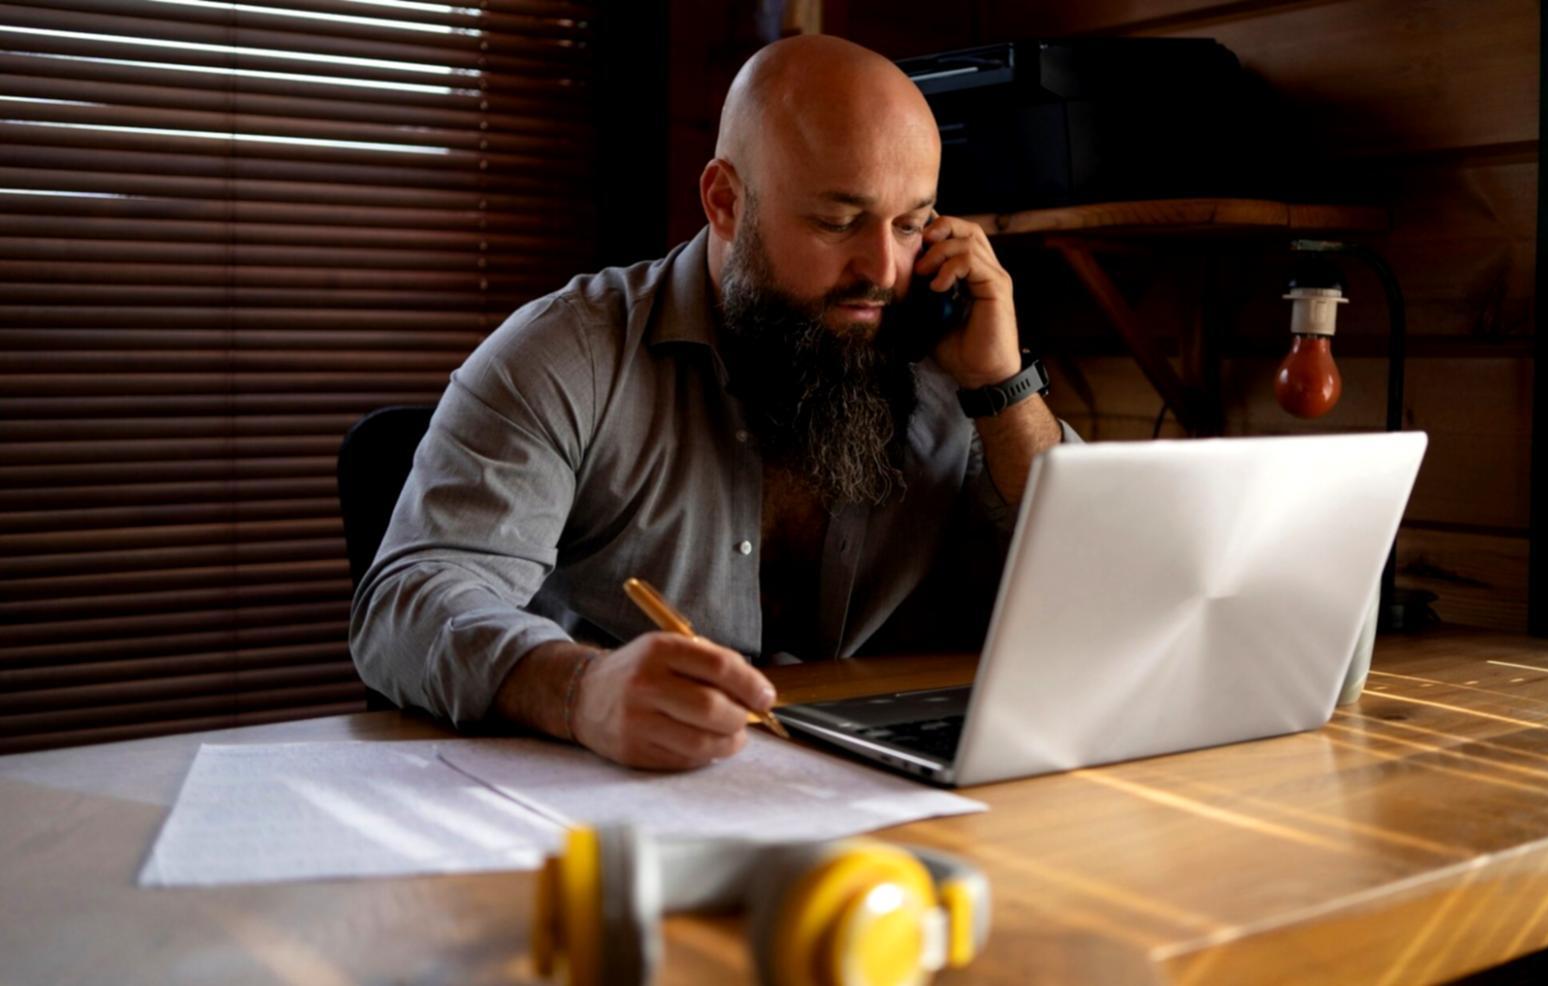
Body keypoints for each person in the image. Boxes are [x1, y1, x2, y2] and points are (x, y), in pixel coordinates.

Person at [350, 35, 1072, 771]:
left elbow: (1093, 579)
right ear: (726, 201)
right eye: (837, 221)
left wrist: (1004, 387)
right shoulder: (569, 352)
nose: (883, 271)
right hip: (615, 797)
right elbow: (406, 605)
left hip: (879, 796)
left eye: (912, 223)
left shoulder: (947, 350)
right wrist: (580, 689)